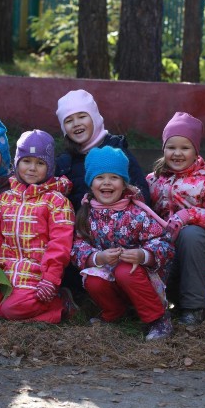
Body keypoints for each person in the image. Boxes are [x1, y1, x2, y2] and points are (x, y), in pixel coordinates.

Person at [0, 129, 77, 323]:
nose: (32, 168)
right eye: (26, 161)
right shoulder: (3, 200)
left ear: (50, 167)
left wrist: (50, 279)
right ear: (17, 163)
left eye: (40, 163)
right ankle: (32, 309)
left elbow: (60, 245)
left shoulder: (57, 201)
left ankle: (59, 303)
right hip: (7, 275)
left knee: (12, 309)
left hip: (38, 277)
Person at [72, 146, 176, 341]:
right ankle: (115, 312)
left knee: (124, 270)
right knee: (93, 279)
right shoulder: (86, 214)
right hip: (108, 277)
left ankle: (158, 319)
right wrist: (98, 257)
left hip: (139, 278)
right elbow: (78, 246)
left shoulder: (136, 213)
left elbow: (164, 243)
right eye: (99, 177)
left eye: (114, 177)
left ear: (123, 183)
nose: (107, 182)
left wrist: (143, 255)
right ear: (91, 183)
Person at [55, 89, 153, 295]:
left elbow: (141, 194)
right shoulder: (65, 163)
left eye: (82, 116)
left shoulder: (117, 151)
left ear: (95, 117)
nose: (76, 124)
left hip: (121, 235)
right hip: (81, 236)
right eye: (69, 120)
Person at [146, 112, 205, 326]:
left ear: (196, 151)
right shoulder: (152, 180)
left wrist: (189, 215)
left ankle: (195, 308)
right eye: (171, 147)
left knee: (191, 233)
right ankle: (154, 302)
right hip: (166, 252)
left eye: (185, 148)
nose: (177, 153)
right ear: (163, 149)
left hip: (201, 252)